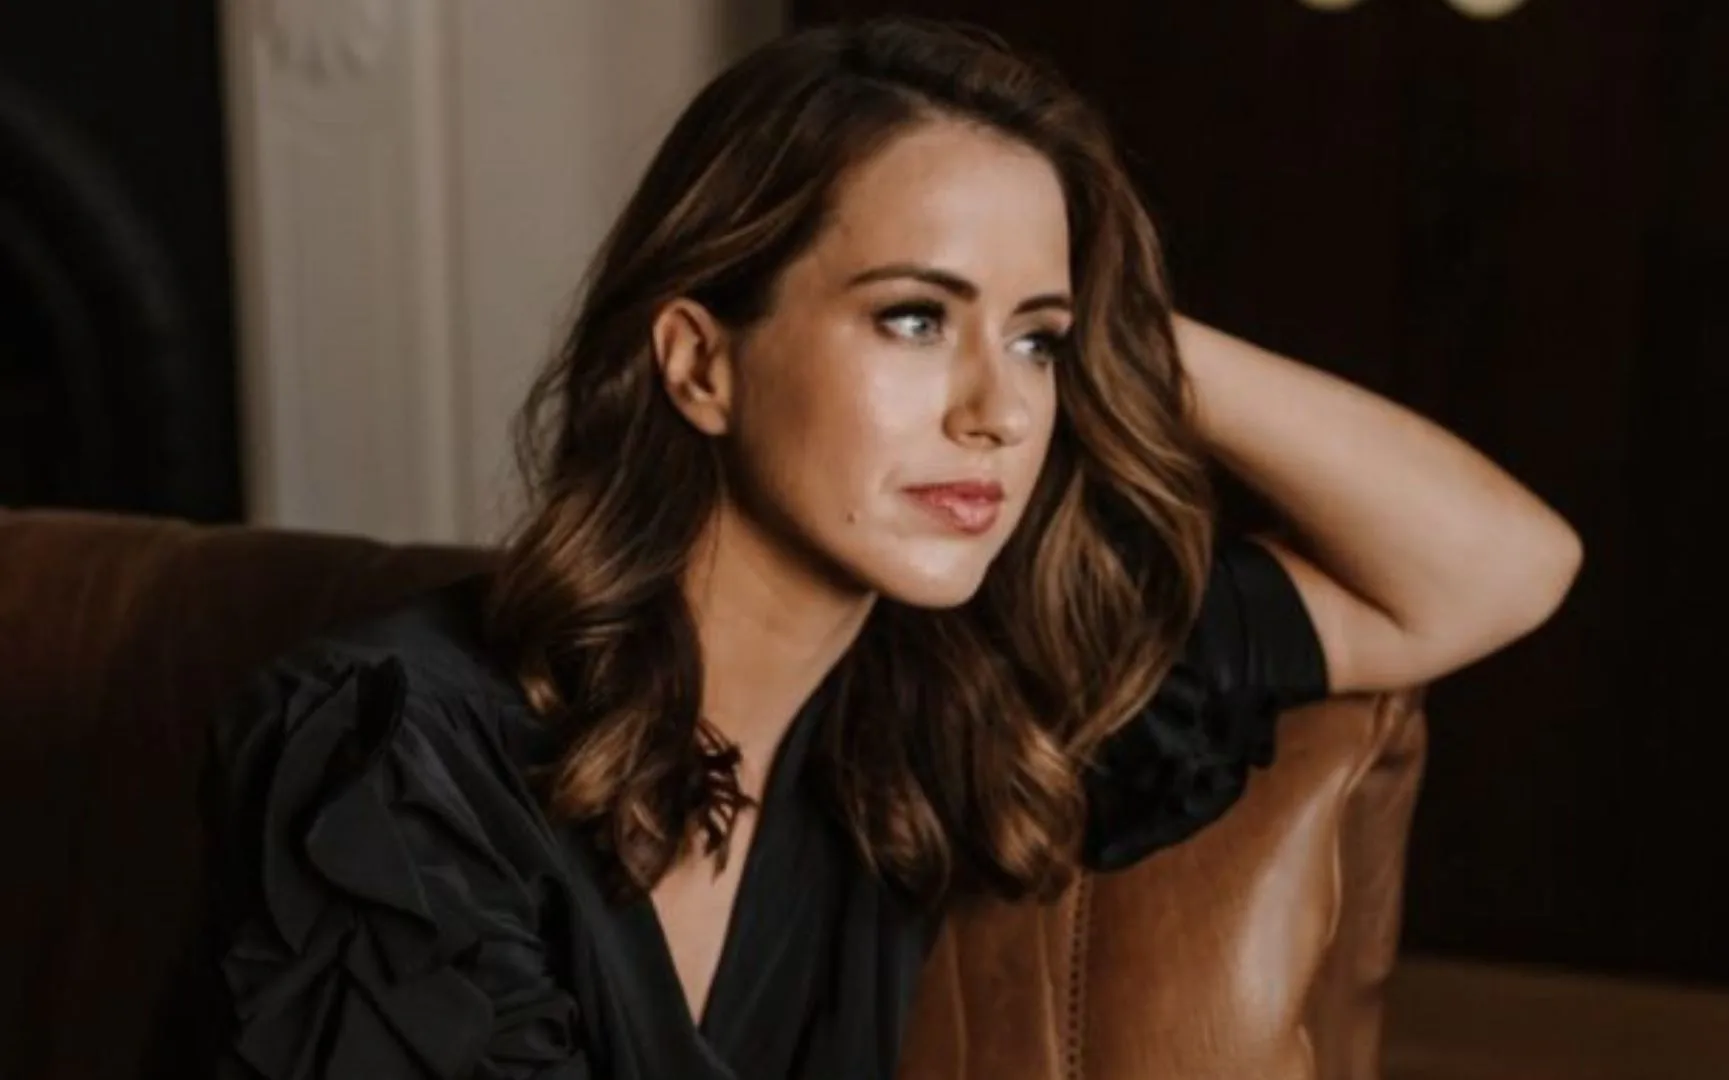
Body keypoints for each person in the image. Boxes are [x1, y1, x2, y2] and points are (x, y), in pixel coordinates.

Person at [166, 16, 1582, 1080]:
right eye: (914, 316)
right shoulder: (395, 759)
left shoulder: (930, 719)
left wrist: (1125, 328)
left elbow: (1497, 567)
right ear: (700, 364)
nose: (997, 412)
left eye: (1036, 340)